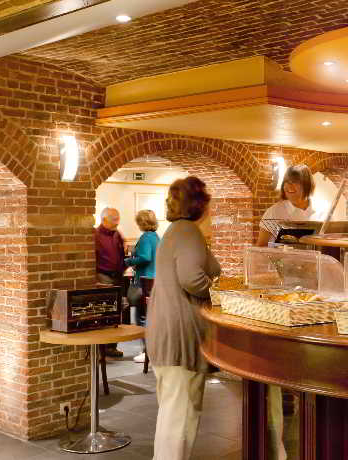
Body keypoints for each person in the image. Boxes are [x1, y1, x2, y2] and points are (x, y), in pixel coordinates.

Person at [147, 176, 221, 460]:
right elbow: (192, 279)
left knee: (171, 414)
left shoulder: (176, 231)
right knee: (180, 418)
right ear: (199, 204)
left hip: (164, 329)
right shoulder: (188, 232)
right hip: (180, 334)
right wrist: (218, 293)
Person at [124, 209, 160, 364]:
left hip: (144, 281)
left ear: (142, 222)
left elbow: (145, 257)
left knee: (142, 317)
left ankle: (147, 353)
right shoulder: (156, 237)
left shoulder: (146, 237)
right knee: (149, 317)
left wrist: (129, 261)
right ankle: (151, 351)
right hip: (154, 280)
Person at [256, 164, 324, 246]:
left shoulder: (322, 212)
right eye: (286, 182)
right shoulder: (274, 211)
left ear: (307, 184)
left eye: (295, 182)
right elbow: (261, 246)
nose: (289, 186)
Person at [94, 207, 126, 358]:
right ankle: (103, 347)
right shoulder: (95, 235)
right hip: (103, 276)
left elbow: (121, 254)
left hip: (117, 276)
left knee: (116, 311)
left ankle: (112, 346)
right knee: (105, 310)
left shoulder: (117, 234)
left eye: (118, 219)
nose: (117, 222)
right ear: (104, 220)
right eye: (114, 219)